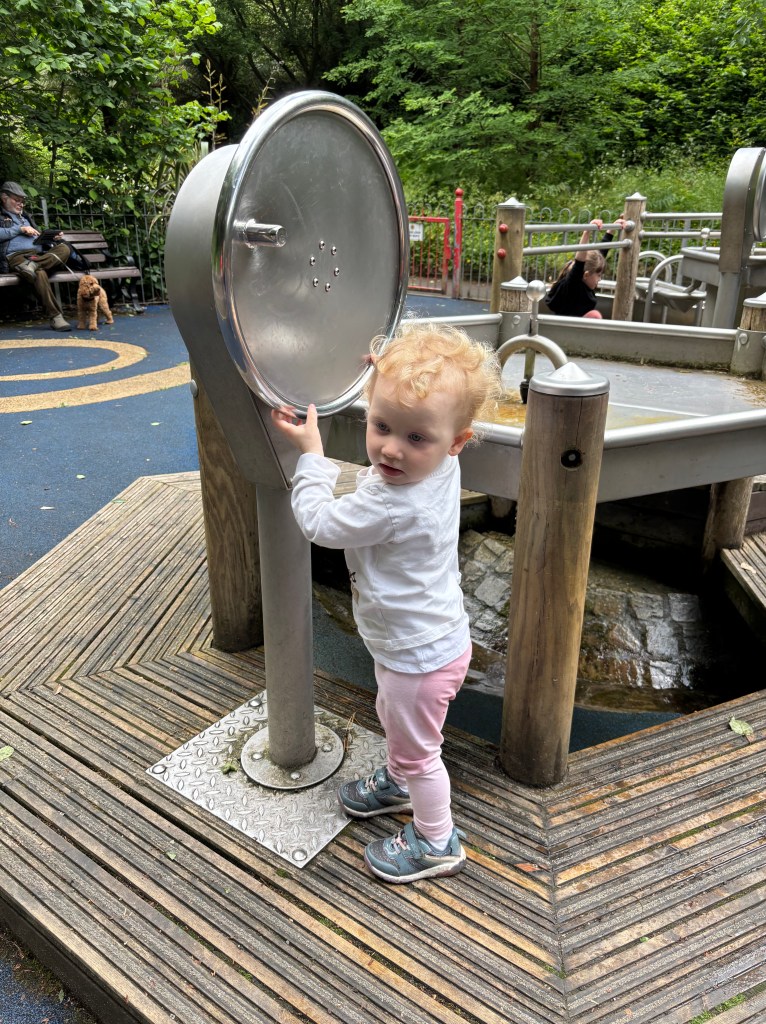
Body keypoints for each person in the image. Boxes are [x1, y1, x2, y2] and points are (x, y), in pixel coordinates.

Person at [271, 323, 503, 884]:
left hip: (418, 656)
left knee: (423, 751)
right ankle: (399, 783)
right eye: (381, 426)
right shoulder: (441, 467)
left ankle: (435, 839)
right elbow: (409, 415)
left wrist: (313, 455)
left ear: (457, 441)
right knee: (396, 725)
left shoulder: (397, 506)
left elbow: (320, 523)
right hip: (423, 642)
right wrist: (384, 372)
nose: (392, 449)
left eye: (414, 438)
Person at [0, 181, 71, 331]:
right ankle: (56, 317)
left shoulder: (26, 217)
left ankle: (33, 265)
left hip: (36, 256)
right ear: (4, 197)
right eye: (16, 200)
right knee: (39, 274)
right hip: (16, 257)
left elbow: (37, 239)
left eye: (22, 201)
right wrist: (20, 229)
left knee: (64, 248)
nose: (21, 204)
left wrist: (52, 238)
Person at [545, 216, 627, 319]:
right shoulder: (573, 284)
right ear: (586, 274)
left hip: (579, 327)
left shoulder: (586, 278)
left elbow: (601, 253)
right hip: (566, 329)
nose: (600, 279)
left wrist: (612, 230)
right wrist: (586, 232)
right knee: (594, 315)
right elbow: (579, 262)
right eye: (598, 275)